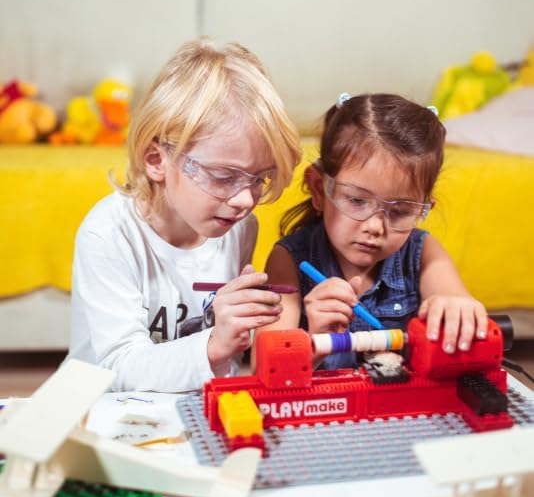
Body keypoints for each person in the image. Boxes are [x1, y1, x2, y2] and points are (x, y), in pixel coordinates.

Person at [68, 39, 301, 391]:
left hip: (193, 406)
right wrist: (215, 344)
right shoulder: (109, 233)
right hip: (103, 411)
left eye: (260, 178)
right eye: (224, 177)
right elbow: (119, 368)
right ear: (156, 160)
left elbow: (224, 348)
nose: (244, 200)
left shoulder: (237, 226)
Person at [258, 92, 487, 369]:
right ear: (318, 188)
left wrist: (457, 308)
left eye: (400, 211)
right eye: (356, 200)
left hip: (401, 408)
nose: (375, 227)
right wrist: (316, 340)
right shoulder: (289, 259)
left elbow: (456, 300)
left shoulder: (423, 252)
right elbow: (265, 368)